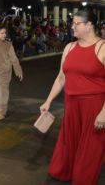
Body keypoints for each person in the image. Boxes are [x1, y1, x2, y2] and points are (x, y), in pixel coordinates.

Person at [40, 10, 105, 185]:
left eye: (77, 23)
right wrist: (48, 101)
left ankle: (83, 179)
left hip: (94, 106)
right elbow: (61, 78)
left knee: (90, 147)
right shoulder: (69, 47)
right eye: (72, 23)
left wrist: (104, 112)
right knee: (69, 141)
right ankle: (66, 171)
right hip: (71, 103)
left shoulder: (102, 47)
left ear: (89, 25)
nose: (72, 27)